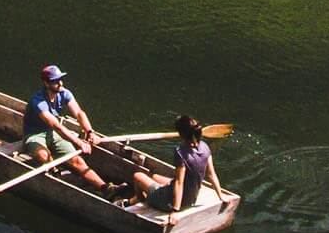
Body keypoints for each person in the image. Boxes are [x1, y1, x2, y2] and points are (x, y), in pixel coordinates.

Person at [21, 63, 116, 192]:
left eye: (60, 79)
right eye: (55, 81)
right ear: (46, 83)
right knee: (45, 156)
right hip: (35, 135)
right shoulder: (38, 101)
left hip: (53, 133)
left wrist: (89, 132)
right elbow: (56, 125)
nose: (60, 83)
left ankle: (106, 189)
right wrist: (79, 142)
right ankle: (54, 174)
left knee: (77, 161)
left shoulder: (64, 93)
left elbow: (78, 113)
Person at [128, 115, 218, 218]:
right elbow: (212, 175)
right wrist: (221, 197)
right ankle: (149, 196)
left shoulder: (180, 152)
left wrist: (175, 211)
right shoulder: (205, 147)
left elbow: (179, 183)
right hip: (192, 198)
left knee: (138, 176)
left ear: (181, 134)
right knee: (154, 177)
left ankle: (140, 200)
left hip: (171, 203)